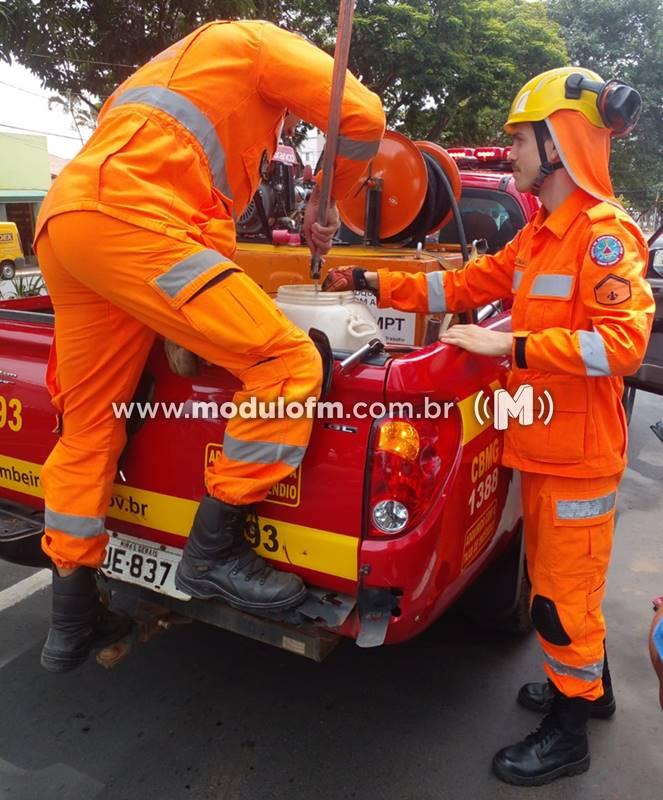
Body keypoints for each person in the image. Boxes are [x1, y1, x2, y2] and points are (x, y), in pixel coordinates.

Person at [323, 67, 654, 785]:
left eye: (519, 139)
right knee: (566, 590)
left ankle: (567, 733)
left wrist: (511, 346)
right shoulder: (539, 236)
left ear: (558, 143)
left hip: (576, 459)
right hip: (542, 446)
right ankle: (587, 692)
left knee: (561, 601)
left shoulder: (603, 238)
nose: (510, 153)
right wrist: (376, 281)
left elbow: (620, 347)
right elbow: (466, 284)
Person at [34, 19, 385, 673]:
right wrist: (327, 204)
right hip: (136, 223)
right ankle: (214, 552)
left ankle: (71, 616)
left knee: (88, 423)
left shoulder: (166, 72)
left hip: (69, 225)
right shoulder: (257, 44)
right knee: (285, 360)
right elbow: (362, 114)